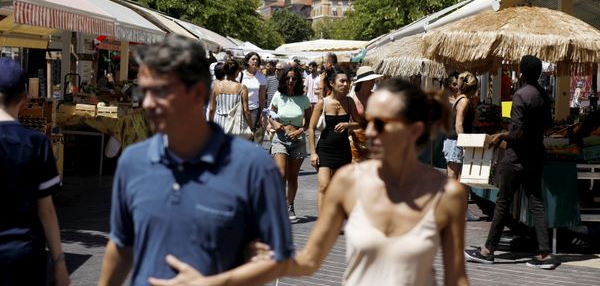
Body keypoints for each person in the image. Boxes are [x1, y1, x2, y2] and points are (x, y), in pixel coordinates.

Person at [148, 78, 469, 286]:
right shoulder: (349, 182)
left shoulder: (447, 195)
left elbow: (457, 279)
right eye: (367, 122)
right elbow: (307, 260)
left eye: (381, 124)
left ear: (414, 130)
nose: (368, 132)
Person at [99, 35, 294, 285]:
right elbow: (121, 245)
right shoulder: (133, 162)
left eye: (159, 91)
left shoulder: (253, 167)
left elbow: (278, 259)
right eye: (144, 91)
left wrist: (213, 282)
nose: (147, 104)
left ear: (198, 93)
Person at [465, 55, 556, 269]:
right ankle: (545, 254)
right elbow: (548, 126)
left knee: (503, 203)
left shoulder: (520, 95)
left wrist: (502, 136)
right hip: (536, 156)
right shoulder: (544, 95)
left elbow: (517, 132)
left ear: (522, 72)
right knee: (537, 203)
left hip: (516, 158)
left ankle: (488, 250)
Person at [0, 58, 70, 286]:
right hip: (24, 254)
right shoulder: (37, 143)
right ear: (24, 99)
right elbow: (46, 209)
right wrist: (59, 261)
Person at [309, 66, 360, 212]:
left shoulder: (349, 102)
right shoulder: (322, 103)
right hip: (325, 149)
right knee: (324, 186)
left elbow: (360, 123)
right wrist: (313, 153)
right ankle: (322, 220)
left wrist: (348, 124)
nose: (346, 84)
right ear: (332, 83)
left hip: (343, 149)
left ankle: (334, 218)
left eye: (348, 81)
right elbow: (311, 128)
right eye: (342, 81)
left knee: (338, 188)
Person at [268, 65, 312, 221]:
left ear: (298, 80)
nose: (291, 81)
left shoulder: (304, 98)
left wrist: (300, 131)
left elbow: (309, 122)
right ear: (283, 79)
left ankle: (290, 205)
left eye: (294, 78)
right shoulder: (278, 96)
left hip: (298, 141)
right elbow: (270, 115)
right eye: (288, 78)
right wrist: (274, 124)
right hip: (280, 138)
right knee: (280, 173)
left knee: (292, 177)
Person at [443, 71, 478, 180]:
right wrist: (464, 146)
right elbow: (459, 124)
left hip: (456, 141)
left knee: (458, 179)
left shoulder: (462, 99)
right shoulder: (464, 101)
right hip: (456, 142)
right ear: (473, 88)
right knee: (452, 179)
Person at [348, 66, 383, 163]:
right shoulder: (351, 98)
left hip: (373, 139)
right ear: (363, 82)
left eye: (373, 80)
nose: (373, 82)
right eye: (371, 80)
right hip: (355, 139)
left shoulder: (376, 97)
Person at [209, 60, 253, 133]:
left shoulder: (216, 86)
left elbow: (211, 109)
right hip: (235, 124)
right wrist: (251, 127)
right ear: (236, 72)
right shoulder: (242, 87)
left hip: (219, 123)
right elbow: (246, 111)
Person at [241, 52, 268, 144]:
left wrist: (261, 113)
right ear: (247, 61)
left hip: (253, 110)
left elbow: (262, 98)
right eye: (253, 59)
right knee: (240, 135)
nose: (255, 61)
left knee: (252, 134)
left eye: (257, 60)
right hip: (240, 109)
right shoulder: (240, 75)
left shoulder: (261, 77)